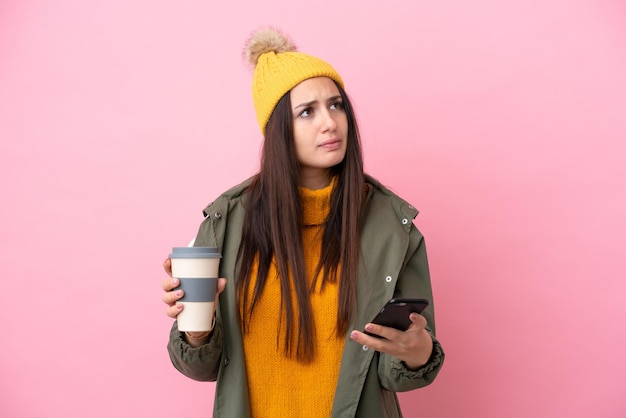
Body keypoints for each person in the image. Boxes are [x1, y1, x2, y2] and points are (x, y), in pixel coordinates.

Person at [161, 27, 445, 418]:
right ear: (278, 130)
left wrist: (418, 351)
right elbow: (199, 366)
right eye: (307, 111)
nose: (330, 123)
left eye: (336, 105)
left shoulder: (391, 225)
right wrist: (196, 326)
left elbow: (398, 374)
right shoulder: (226, 221)